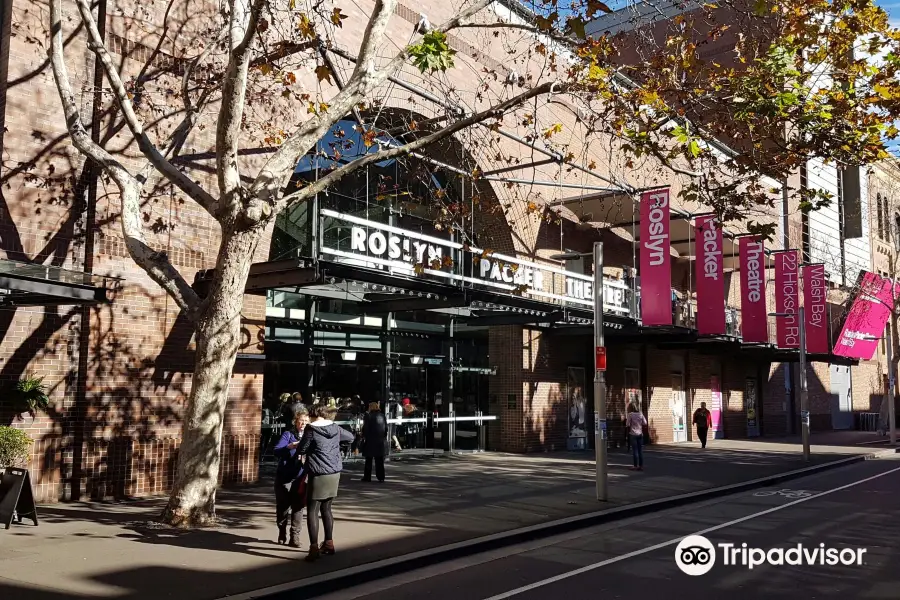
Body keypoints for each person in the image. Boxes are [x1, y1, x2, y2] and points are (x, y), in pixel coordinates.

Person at [297, 404, 354, 561]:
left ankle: (313, 548)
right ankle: (329, 543)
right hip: (334, 472)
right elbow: (350, 437)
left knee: (312, 510)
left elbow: (301, 449)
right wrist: (335, 447)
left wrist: (306, 450)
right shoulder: (334, 427)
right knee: (327, 508)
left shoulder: (311, 429)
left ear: (314, 414)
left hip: (318, 472)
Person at [273, 403, 309, 547]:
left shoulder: (309, 437)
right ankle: (282, 532)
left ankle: (295, 537)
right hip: (285, 477)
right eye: (301, 421)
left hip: (300, 477)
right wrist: (290, 446)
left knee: (298, 507)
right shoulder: (288, 435)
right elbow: (277, 451)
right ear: (295, 421)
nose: (303, 424)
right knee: (283, 508)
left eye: (306, 422)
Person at [361, 401, 388, 482]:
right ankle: (381, 477)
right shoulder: (383, 416)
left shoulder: (368, 416)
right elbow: (386, 428)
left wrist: (364, 436)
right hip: (380, 441)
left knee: (368, 460)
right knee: (379, 460)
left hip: (370, 440)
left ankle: (367, 477)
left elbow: (365, 428)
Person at [626, 403, 647, 471]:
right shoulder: (640, 414)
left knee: (635, 451)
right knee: (640, 450)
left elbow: (627, 424)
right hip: (640, 434)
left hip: (633, 434)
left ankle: (635, 466)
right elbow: (645, 422)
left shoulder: (630, 415)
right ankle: (641, 466)